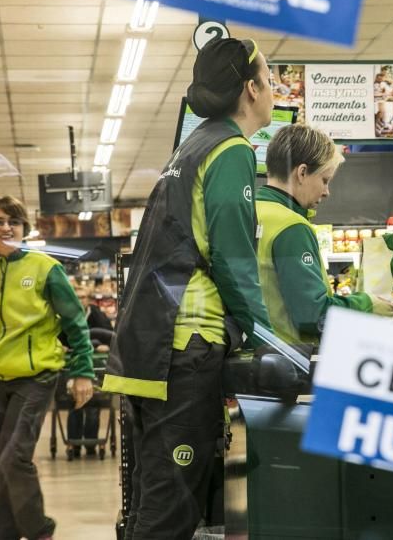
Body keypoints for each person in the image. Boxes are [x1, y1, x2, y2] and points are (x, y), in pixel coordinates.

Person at [103, 37, 274, 540]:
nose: (274, 87)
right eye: (270, 77)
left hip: (148, 345)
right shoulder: (230, 149)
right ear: (250, 88)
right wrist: (269, 339)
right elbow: (234, 256)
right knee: (170, 512)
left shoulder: (191, 146)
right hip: (186, 345)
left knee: (148, 506)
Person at [0, 196, 95, 540]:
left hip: (37, 377)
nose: (6, 227)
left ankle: (39, 529)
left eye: (13, 221)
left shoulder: (45, 269)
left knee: (15, 459)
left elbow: (75, 324)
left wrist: (83, 372)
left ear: (24, 229)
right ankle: (3, 534)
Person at [256, 125, 393, 344]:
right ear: (302, 173)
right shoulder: (291, 226)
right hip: (290, 360)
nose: (326, 192)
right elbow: (313, 315)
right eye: (324, 180)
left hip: (254, 356)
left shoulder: (248, 212)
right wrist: (368, 304)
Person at [66, 295, 113, 458]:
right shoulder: (67, 314)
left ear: (89, 299)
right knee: (75, 405)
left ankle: (92, 445)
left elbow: (110, 335)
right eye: (76, 296)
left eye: (83, 297)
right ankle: (74, 445)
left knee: (94, 405)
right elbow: (59, 337)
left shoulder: (97, 315)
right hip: (73, 369)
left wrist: (105, 345)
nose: (79, 300)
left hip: (96, 368)